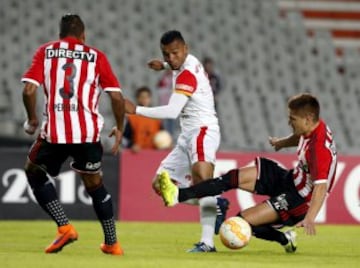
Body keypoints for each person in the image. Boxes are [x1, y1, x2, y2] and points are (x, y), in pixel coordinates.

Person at [158, 93, 337, 253]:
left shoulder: (319, 149)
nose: (289, 122)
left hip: (299, 200)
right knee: (231, 178)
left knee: (243, 222)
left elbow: (321, 188)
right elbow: (300, 136)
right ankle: (178, 194)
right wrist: (282, 143)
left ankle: (285, 238)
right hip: (290, 179)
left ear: (308, 118)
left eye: (293, 119)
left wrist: (311, 218)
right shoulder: (313, 127)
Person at [21, 14, 125, 255]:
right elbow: (117, 97)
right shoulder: (96, 56)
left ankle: (65, 227)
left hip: (55, 133)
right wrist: (119, 128)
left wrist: (32, 119)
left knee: (33, 171)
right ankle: (112, 243)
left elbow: (28, 90)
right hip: (87, 133)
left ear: (60, 35)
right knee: (95, 186)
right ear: (83, 35)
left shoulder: (46, 51)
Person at [125, 30, 229, 252]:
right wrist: (161, 66)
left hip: (203, 130)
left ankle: (207, 242)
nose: (171, 58)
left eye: (174, 53)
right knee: (160, 185)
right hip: (187, 135)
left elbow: (172, 111)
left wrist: (136, 109)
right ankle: (216, 202)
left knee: (203, 178)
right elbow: (174, 63)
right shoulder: (186, 61)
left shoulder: (186, 75)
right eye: (166, 54)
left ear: (186, 49)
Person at [123, 86, 162, 152]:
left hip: (153, 154)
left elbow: (162, 135)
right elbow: (125, 139)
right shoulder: (132, 118)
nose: (145, 99)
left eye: (147, 97)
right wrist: (131, 145)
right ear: (138, 99)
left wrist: (166, 144)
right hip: (137, 154)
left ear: (150, 99)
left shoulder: (156, 118)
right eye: (142, 97)